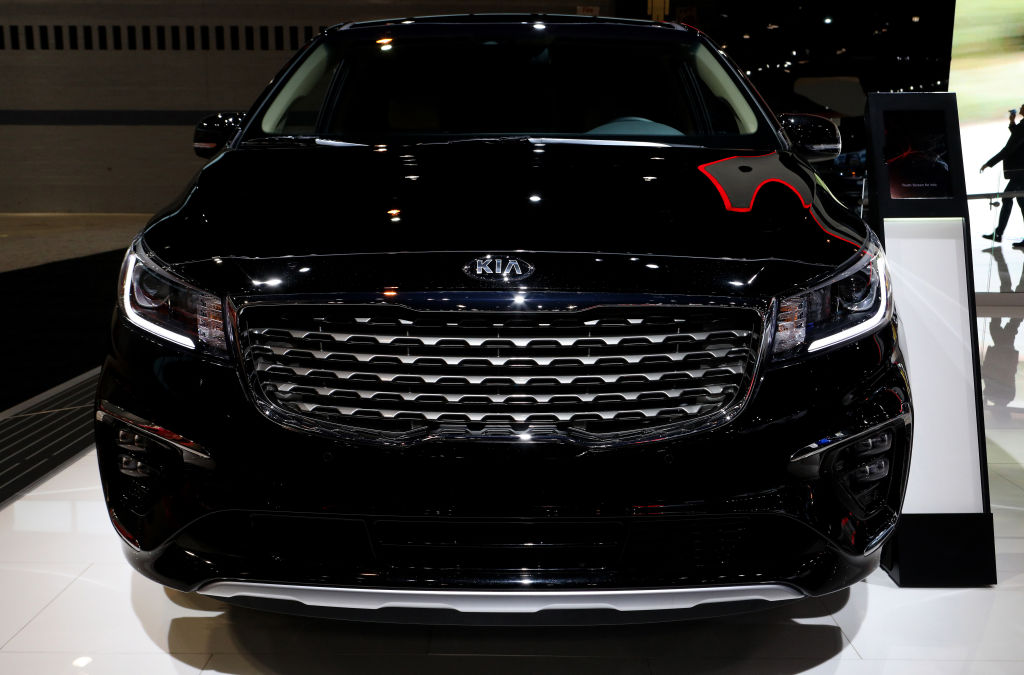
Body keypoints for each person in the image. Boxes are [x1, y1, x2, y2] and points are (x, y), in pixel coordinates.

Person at [980, 105, 1024, 244]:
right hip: (1021, 172)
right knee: (1020, 201)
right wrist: (1012, 122)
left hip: (1020, 173)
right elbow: (1018, 136)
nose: (1021, 106)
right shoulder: (1023, 125)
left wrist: (989, 163)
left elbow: (1009, 148)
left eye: (1023, 105)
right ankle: (998, 233)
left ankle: (998, 233)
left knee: (1007, 197)